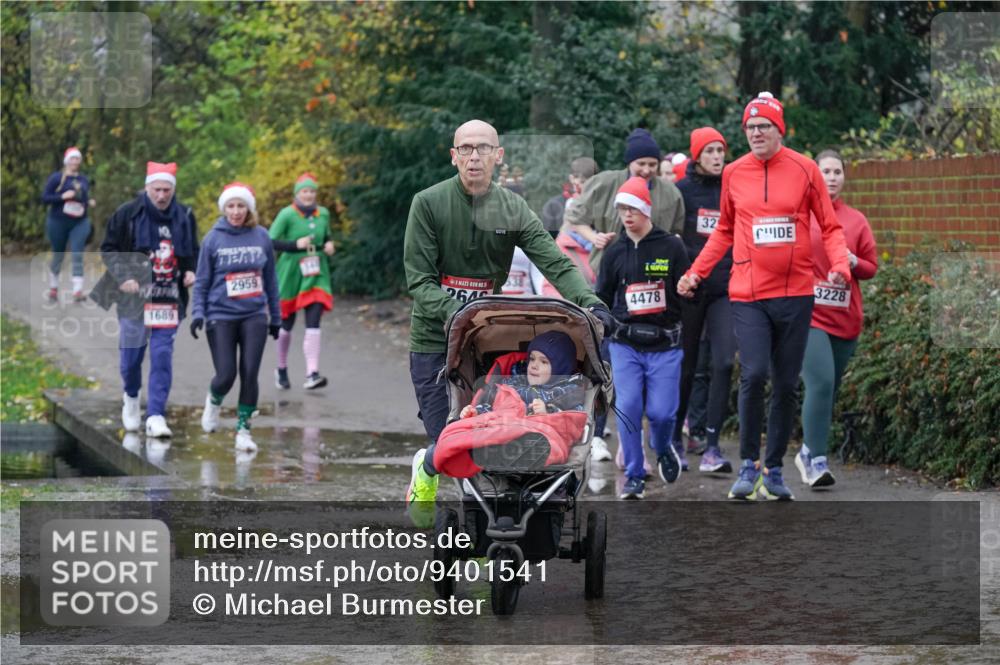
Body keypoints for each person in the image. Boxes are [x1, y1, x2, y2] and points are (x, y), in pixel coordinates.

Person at [402, 119, 613, 524]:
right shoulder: (428, 203)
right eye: (465, 149)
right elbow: (420, 282)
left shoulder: (512, 208)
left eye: (483, 148)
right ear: (454, 156)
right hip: (434, 339)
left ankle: (485, 549)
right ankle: (425, 468)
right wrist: (459, 315)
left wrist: (592, 304)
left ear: (498, 156)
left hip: (483, 339)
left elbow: (554, 261)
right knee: (451, 436)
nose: (474, 156)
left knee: (487, 439)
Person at [677, 92, 851, 501]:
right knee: (754, 374)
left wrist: (840, 266)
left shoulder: (805, 169)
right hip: (749, 292)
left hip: (795, 294)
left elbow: (829, 227)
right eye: (750, 127)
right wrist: (695, 273)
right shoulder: (735, 173)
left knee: (787, 384)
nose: (755, 133)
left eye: (763, 127)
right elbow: (723, 231)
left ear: (779, 129)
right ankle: (747, 466)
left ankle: (774, 469)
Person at [597, 177, 690, 500]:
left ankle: (663, 448)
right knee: (628, 407)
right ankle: (635, 474)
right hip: (626, 345)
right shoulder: (614, 252)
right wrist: (600, 319)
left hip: (665, 345)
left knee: (663, 413)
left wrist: (690, 289)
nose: (627, 215)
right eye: (622, 209)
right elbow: (601, 297)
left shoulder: (672, 246)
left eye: (633, 208)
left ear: (647, 209)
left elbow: (689, 292)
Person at [92, 161, 198, 437]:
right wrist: (123, 276)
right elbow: (109, 249)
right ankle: (130, 397)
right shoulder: (128, 213)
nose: (162, 196)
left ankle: (156, 415)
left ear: (173, 190)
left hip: (168, 298)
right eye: (157, 190)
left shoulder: (184, 215)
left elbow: (191, 250)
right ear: (147, 187)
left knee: (162, 355)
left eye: (167, 190)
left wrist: (190, 270)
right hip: (134, 300)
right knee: (131, 358)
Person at [796, 150, 878, 488]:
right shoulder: (801, 216)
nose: (831, 177)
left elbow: (872, 267)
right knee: (821, 383)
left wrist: (852, 262)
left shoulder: (856, 220)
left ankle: (806, 450)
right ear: (814, 175)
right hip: (810, 316)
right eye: (824, 171)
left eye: (837, 171)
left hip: (846, 318)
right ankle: (816, 460)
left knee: (829, 392)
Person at [190, 183, 281, 452]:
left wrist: (276, 316)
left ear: (249, 208)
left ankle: (243, 430)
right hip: (221, 314)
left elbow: (271, 281)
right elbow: (202, 280)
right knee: (226, 374)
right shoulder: (213, 239)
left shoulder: (261, 236)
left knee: (250, 372)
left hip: (254, 314)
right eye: (231, 206)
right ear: (224, 208)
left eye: (241, 206)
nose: (236, 211)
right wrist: (198, 313)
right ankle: (214, 401)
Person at [670, 127, 737, 474]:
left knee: (724, 362)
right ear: (697, 155)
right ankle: (676, 441)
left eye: (720, 151)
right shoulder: (681, 192)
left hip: (726, 288)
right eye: (709, 151)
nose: (716, 157)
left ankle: (712, 446)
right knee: (687, 365)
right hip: (691, 288)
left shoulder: (732, 187)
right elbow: (670, 236)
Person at [565, 128, 685, 272]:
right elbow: (576, 218)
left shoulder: (670, 192)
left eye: (652, 165)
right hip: (609, 267)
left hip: (654, 270)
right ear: (629, 162)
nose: (646, 170)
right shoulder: (603, 184)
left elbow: (677, 230)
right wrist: (594, 237)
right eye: (641, 164)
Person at [268, 172, 336, 390]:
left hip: (316, 271)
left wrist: (329, 245)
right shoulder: (287, 214)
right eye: (304, 191)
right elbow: (270, 241)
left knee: (314, 320)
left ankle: (312, 373)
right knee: (286, 325)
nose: (308, 195)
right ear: (297, 194)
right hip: (290, 272)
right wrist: (294, 245)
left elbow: (326, 237)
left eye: (312, 191)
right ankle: (281, 368)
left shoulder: (323, 213)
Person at [41, 147, 97, 302]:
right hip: (58, 221)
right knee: (58, 253)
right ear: (67, 161)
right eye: (72, 159)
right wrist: (62, 196)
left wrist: (89, 202)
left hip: (80, 221)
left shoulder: (83, 179)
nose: (75, 162)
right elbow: (44, 198)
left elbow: (83, 198)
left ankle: (77, 291)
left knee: (77, 253)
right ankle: (53, 287)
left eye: (77, 159)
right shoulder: (56, 178)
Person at [541, 157, 600, 237]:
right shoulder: (553, 205)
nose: (587, 187)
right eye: (583, 182)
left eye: (591, 183)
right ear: (572, 179)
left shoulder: (600, 202)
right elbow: (548, 238)